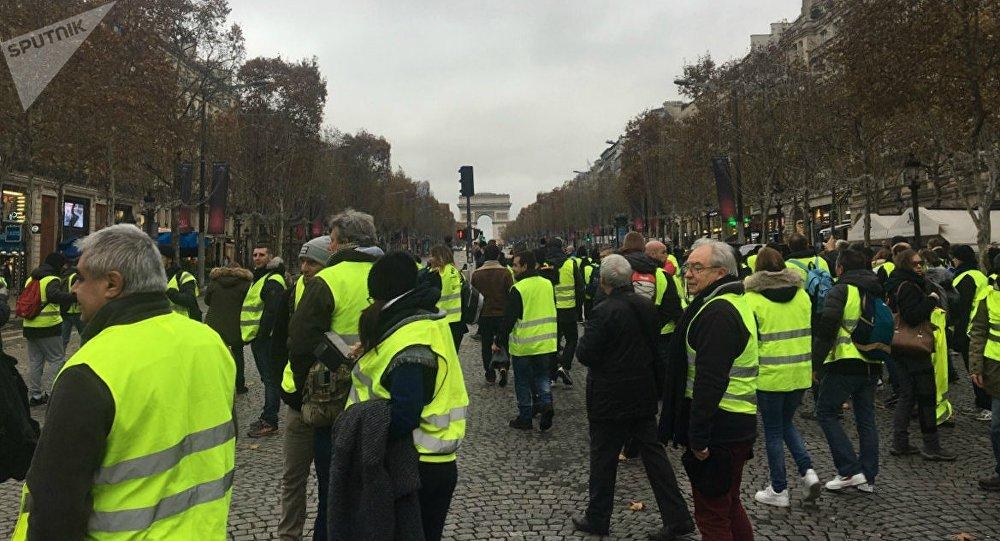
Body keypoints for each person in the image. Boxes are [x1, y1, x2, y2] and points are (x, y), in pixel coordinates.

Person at [12, 224, 235, 539]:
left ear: (112, 284)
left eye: (81, 277)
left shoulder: (91, 370)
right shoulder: (209, 342)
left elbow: (55, 507)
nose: (73, 288)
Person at [346, 251, 469, 541]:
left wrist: (362, 430)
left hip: (412, 464)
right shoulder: (426, 322)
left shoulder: (411, 338)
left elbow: (405, 412)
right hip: (433, 461)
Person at [572, 254, 694, 539]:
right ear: (629, 279)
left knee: (603, 458)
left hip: (609, 396)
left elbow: (586, 353)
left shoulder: (603, 311)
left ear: (603, 282)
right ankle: (678, 516)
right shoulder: (646, 305)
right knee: (654, 457)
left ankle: (598, 517)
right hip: (642, 391)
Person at [288, 209, 382, 541]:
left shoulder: (328, 280)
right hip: (383, 400)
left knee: (334, 491)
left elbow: (299, 342)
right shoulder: (395, 274)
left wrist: (311, 384)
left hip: (335, 403)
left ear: (341, 244)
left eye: (331, 241)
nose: (328, 247)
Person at [662, 239, 759, 541]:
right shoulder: (732, 302)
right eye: (687, 267)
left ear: (720, 273)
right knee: (728, 504)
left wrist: (698, 437)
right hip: (736, 421)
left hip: (720, 426)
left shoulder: (717, 312)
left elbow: (710, 380)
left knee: (712, 514)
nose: (688, 274)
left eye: (697, 268)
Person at [743, 247, 821, 507]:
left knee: (774, 431)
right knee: (786, 424)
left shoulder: (752, 300)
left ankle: (779, 489)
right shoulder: (802, 296)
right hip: (799, 373)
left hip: (769, 375)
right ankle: (807, 472)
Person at [272, 235, 330, 541]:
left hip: (327, 402)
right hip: (297, 400)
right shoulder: (292, 292)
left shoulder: (332, 293)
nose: (305, 267)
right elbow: (280, 340)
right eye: (303, 262)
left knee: (327, 480)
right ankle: (288, 534)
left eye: (313, 262)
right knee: (292, 476)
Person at [812, 248, 883, 492]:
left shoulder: (841, 289)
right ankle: (868, 475)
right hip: (872, 360)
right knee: (866, 418)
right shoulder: (875, 288)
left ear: (840, 268)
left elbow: (827, 329)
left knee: (826, 412)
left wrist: (816, 364)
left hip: (845, 360)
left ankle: (849, 470)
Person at [884, 249, 956, 461]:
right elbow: (913, 316)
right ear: (906, 265)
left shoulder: (898, 281)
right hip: (914, 348)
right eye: (915, 264)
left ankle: (901, 441)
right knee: (925, 395)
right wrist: (931, 299)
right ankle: (931, 445)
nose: (920, 267)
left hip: (900, 346)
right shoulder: (909, 286)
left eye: (921, 263)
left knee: (907, 394)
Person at [497, 250, 556, 431]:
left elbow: (509, 318)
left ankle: (525, 418)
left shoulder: (518, 289)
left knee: (522, 381)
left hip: (523, 344)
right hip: (546, 341)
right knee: (542, 376)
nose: (513, 268)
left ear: (525, 266)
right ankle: (546, 404)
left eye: (515, 265)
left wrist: (499, 340)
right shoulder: (547, 284)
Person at [241, 244, 288, 438]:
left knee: (270, 380)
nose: (257, 258)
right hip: (259, 338)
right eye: (255, 254)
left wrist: (262, 335)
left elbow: (272, 312)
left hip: (266, 340)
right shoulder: (260, 278)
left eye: (262, 255)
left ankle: (270, 420)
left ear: (270, 257)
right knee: (268, 379)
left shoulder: (273, 280)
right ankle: (268, 417)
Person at [23, 252, 75, 406]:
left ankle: (36, 396)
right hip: (48, 327)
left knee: (35, 362)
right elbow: (53, 296)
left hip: (30, 325)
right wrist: (73, 297)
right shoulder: (52, 279)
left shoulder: (31, 278)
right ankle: (53, 394)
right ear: (57, 265)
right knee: (56, 360)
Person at [950, 244, 993, 421]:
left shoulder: (965, 277)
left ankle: (986, 405)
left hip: (970, 329)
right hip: (978, 327)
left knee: (975, 369)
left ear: (958, 258)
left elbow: (963, 307)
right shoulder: (978, 274)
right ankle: (983, 403)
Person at [968, 273, 1000, 492]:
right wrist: (976, 366)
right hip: (996, 369)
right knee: (997, 428)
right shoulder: (987, 296)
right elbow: (978, 332)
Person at [205, 262, 253, 394]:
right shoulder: (245, 284)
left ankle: (217, 382)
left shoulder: (214, 282)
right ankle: (240, 384)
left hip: (214, 324)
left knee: (217, 354)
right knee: (238, 354)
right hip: (236, 324)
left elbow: (207, 301)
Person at [472, 242, 514, 385]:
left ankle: (489, 372)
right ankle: (503, 366)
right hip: (502, 314)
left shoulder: (477, 273)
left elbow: (474, 296)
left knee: (486, 344)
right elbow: (511, 294)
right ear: (498, 255)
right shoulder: (506, 272)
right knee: (503, 342)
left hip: (485, 315)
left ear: (484, 255)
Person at [544, 237, 583, 385]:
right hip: (568, 309)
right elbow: (580, 288)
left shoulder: (545, 265)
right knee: (572, 339)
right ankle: (564, 366)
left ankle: (552, 376)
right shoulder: (570, 264)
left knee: (552, 343)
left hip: (551, 310)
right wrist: (578, 309)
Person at [427, 244, 467, 353]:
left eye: (431, 256)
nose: (429, 259)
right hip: (458, 321)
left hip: (441, 320)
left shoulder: (435, 274)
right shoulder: (457, 272)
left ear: (438, 257)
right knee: (453, 355)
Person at [161, 247, 201, 320]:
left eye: (161, 258)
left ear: (170, 260)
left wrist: (168, 291)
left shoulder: (183, 276)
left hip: (183, 324)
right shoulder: (154, 278)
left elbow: (189, 299)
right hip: (164, 324)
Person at [59, 259, 85, 349]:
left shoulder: (65, 275)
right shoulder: (76, 276)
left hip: (66, 310)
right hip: (76, 310)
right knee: (85, 336)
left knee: (64, 338)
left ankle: (60, 360)